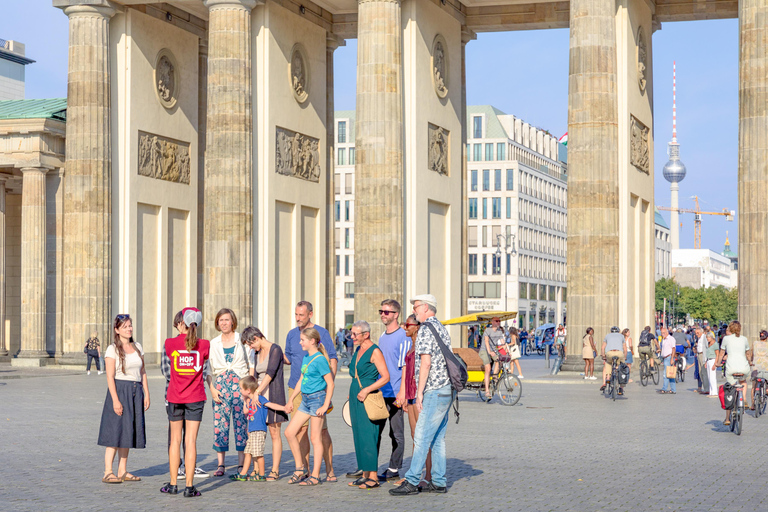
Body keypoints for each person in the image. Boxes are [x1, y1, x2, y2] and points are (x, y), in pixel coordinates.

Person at [391, 294, 452, 496]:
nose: (414, 310)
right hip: (446, 390)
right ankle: (439, 481)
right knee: (437, 439)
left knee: (421, 436)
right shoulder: (441, 328)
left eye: (416, 306)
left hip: (433, 390)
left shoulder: (426, 329)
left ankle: (412, 480)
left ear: (426, 307)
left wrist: (419, 394)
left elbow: (425, 363)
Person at [284, 300, 339, 482]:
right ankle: (302, 469)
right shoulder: (294, 338)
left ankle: (325, 471)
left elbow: (332, 361)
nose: (298, 318)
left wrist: (326, 398)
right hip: (300, 392)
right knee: (296, 432)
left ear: (310, 314)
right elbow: (292, 363)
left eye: (301, 315)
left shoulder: (321, 336)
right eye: (296, 314)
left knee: (319, 434)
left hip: (317, 396)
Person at [161, 307, 210, 497]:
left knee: (175, 441)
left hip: (175, 396)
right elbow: (204, 363)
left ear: (181, 323)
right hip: (196, 397)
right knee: (191, 441)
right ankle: (189, 487)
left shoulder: (170, 343)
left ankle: (173, 484)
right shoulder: (204, 344)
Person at [97, 314, 149, 484]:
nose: (129, 329)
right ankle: (107, 471)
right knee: (115, 430)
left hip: (136, 390)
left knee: (128, 431)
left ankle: (122, 470)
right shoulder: (112, 349)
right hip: (119, 389)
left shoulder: (138, 347)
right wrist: (115, 400)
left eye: (130, 326)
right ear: (117, 330)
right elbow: (110, 376)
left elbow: (142, 372)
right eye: (125, 326)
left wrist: (146, 394)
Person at [345, 320, 390, 489]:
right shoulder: (358, 350)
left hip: (368, 396)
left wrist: (366, 390)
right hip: (356, 395)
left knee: (368, 435)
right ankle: (365, 474)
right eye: (352, 333)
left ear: (366, 334)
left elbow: (385, 377)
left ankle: (373, 477)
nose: (352, 337)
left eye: (355, 334)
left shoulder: (374, 351)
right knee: (358, 435)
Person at [206, 308, 249, 477]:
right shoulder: (213, 343)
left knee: (241, 425)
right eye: (220, 320)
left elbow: (250, 364)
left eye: (226, 320)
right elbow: (208, 370)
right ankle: (221, 464)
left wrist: (250, 390)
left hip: (240, 387)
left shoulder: (242, 340)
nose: (223, 323)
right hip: (221, 387)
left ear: (233, 322)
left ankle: (241, 463)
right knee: (220, 426)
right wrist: (212, 390)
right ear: (217, 323)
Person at [241, 325, 287, 482]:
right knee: (255, 433)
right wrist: (248, 396)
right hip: (256, 396)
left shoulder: (275, 349)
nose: (250, 347)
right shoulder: (256, 351)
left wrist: (258, 392)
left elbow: (270, 374)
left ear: (256, 338)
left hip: (272, 394)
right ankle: (255, 469)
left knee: (274, 433)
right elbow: (252, 375)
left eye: (250, 344)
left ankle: (274, 470)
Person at [395, 314, 431, 486]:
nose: (405, 327)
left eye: (408, 324)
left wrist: (419, 394)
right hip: (410, 394)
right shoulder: (410, 345)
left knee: (423, 437)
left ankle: (428, 475)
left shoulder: (423, 345)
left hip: (418, 394)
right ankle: (414, 473)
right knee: (414, 435)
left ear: (417, 326)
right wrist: (403, 394)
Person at [376, 299, 410, 482]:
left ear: (396, 314)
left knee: (396, 433)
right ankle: (370, 468)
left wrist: (402, 392)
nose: (383, 314)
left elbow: (405, 366)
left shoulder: (403, 336)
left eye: (387, 312)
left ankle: (394, 468)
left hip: (396, 393)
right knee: (376, 431)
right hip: (381, 393)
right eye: (381, 311)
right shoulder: (382, 336)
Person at [230, 375, 288, 481]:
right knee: (247, 452)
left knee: (258, 454)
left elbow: (271, 405)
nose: (240, 391)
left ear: (248, 390)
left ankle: (261, 475)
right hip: (251, 431)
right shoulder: (249, 400)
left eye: (241, 389)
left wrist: (284, 408)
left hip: (259, 430)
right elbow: (245, 412)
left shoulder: (260, 399)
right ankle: (243, 473)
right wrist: (244, 400)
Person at [715, 321, 751, 425]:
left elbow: (722, 353)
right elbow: (747, 353)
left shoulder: (726, 339)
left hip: (731, 368)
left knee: (730, 390)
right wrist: (750, 362)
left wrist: (718, 363)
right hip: (743, 367)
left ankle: (727, 418)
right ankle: (743, 398)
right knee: (743, 381)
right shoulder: (744, 339)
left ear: (730, 328)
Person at [479, 317, 505, 400]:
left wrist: (508, 351)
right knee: (488, 368)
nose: (498, 322)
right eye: (496, 321)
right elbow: (486, 342)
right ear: (492, 322)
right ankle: (487, 391)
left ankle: (494, 378)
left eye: (499, 321)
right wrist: (490, 352)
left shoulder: (499, 331)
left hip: (493, 351)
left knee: (498, 360)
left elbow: (503, 343)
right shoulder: (488, 330)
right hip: (484, 351)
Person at [599, 327, 627, 395]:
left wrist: (603, 355)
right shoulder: (622, 336)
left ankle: (607, 379)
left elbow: (603, 348)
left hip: (609, 353)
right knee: (622, 367)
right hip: (619, 353)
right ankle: (621, 387)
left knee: (608, 363)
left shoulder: (607, 336)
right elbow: (625, 349)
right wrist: (625, 357)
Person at [749, 330, 768, 410]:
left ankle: (753, 404)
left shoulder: (755, 343)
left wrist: (751, 361)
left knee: (754, 385)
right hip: (765, 366)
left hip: (756, 366)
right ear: (766, 337)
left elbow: (751, 354)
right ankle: (767, 389)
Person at [658, 327, 677, 394]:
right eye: (661, 333)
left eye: (664, 333)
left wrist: (672, 358)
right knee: (670, 374)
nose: (662, 334)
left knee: (665, 374)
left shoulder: (671, 339)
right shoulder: (664, 339)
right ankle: (673, 389)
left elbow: (673, 349)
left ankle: (664, 389)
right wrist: (660, 350)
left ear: (667, 332)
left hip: (669, 357)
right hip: (665, 358)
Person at [693, 327, 709, 394]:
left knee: (704, 372)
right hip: (699, 355)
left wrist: (706, 358)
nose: (696, 334)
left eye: (698, 333)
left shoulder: (704, 337)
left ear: (701, 332)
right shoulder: (699, 338)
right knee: (700, 372)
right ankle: (704, 388)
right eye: (696, 333)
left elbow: (707, 347)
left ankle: (707, 389)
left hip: (703, 355)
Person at [705, 330, 719, 397]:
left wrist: (715, 364)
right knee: (709, 376)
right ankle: (711, 392)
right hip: (708, 360)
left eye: (708, 337)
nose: (707, 339)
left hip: (713, 360)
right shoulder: (709, 344)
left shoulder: (715, 344)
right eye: (707, 337)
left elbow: (717, 354)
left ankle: (714, 392)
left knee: (712, 376)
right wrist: (706, 362)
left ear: (712, 337)